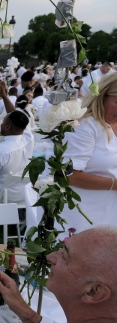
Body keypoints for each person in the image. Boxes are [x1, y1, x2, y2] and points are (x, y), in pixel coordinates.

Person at [61, 73, 117, 234]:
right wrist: (114, 184)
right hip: (83, 212)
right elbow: (68, 175)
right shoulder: (84, 125)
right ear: (102, 96)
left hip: (110, 209)